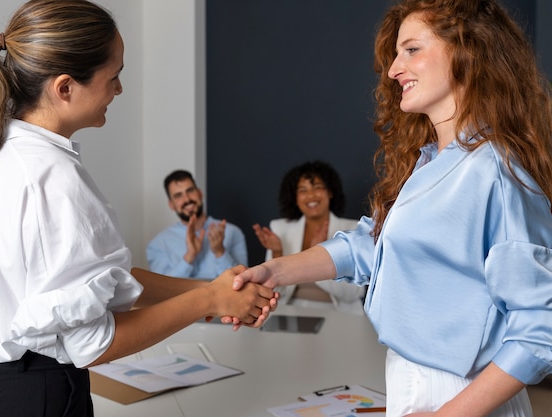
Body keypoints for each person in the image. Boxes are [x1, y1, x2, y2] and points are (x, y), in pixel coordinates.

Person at [0, 1, 274, 416]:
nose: (119, 90)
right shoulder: (53, 180)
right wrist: (210, 303)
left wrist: (210, 288)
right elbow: (93, 344)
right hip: (23, 399)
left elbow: (106, 284)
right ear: (66, 87)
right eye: (115, 76)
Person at [232, 0, 552, 416]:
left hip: (465, 393)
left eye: (412, 50)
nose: (393, 69)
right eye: (396, 54)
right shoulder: (431, 161)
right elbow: (373, 246)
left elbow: (540, 329)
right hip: (412, 378)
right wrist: (274, 271)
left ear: (467, 50)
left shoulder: (497, 170)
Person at [253, 160, 365, 314]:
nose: (311, 196)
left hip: (339, 313)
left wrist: (319, 253)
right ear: (295, 198)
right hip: (290, 311)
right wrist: (277, 253)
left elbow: (354, 293)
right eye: (302, 190)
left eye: (318, 188)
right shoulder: (280, 229)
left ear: (330, 192)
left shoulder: (352, 229)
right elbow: (276, 292)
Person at [146, 169, 248, 279]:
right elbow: (161, 289)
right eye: (178, 195)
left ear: (200, 193)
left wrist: (220, 252)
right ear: (171, 204)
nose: (187, 199)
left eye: (190, 190)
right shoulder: (157, 245)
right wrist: (190, 255)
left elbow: (242, 281)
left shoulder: (232, 232)